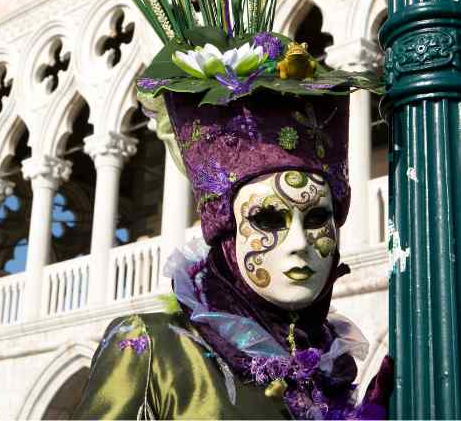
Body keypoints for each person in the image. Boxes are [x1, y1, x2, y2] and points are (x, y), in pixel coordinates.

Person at [73, 93, 393, 419]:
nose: (300, 242)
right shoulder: (154, 347)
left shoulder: (326, 373)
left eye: (316, 219)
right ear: (228, 236)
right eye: (267, 219)